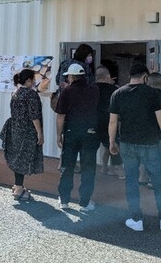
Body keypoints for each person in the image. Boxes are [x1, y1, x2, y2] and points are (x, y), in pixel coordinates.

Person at [109, 63, 161, 232]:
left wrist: (112, 141)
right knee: (158, 181)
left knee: (131, 181)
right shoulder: (153, 93)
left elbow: (113, 121)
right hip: (150, 144)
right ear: (145, 77)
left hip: (127, 143)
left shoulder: (118, 93)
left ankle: (136, 219)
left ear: (130, 76)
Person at [55, 63, 100, 211]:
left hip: (71, 132)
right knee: (88, 168)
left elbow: (60, 116)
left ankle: (64, 200)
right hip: (90, 133)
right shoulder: (94, 90)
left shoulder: (67, 92)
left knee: (67, 166)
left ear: (71, 76)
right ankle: (85, 202)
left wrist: (59, 135)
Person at [0, 69, 44, 201]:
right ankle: (19, 188)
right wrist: (39, 133)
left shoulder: (15, 92)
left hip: (15, 128)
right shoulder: (31, 94)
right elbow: (34, 116)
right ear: (29, 80)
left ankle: (17, 185)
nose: (35, 82)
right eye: (34, 79)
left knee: (17, 156)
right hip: (27, 130)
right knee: (23, 158)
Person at [95, 65, 124, 178]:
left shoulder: (90, 89)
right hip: (109, 121)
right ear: (108, 77)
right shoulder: (115, 90)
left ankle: (103, 167)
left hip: (93, 121)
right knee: (113, 145)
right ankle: (119, 169)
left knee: (91, 148)